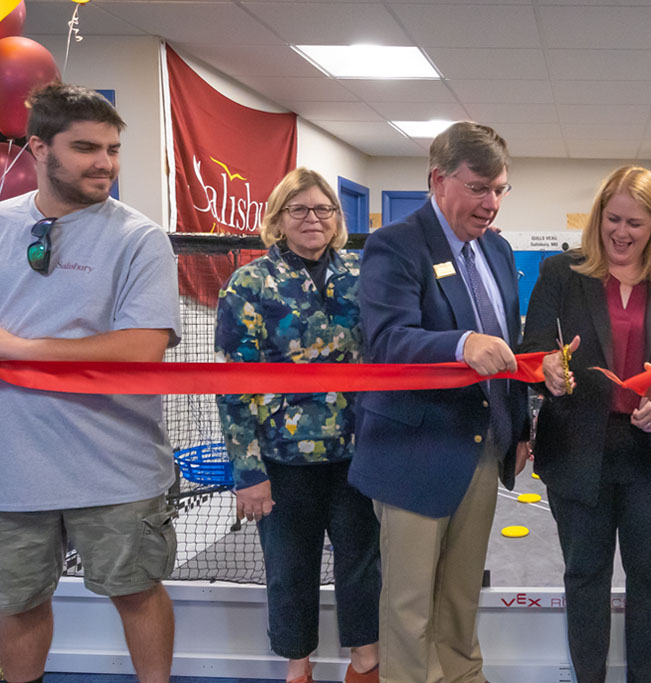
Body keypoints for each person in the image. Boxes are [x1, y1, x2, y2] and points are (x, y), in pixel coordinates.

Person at [0, 83, 181, 683]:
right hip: (13, 469)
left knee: (136, 591)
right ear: (37, 147)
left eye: (112, 148)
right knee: (17, 602)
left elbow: (141, 347)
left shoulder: (139, 238)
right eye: (85, 147)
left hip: (115, 466)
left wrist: (20, 350)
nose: (105, 162)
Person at [349, 121, 530, 683]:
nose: (491, 203)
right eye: (478, 188)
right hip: (414, 448)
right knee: (408, 604)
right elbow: (385, 341)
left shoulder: (497, 250)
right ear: (438, 179)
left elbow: (510, 347)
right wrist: (460, 343)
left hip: (482, 446)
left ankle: (462, 676)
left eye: (499, 189)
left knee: (460, 595)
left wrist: (520, 428)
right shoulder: (396, 245)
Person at [520, 165, 651, 683]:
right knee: (585, 577)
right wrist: (547, 371)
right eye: (612, 219)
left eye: (635, 224)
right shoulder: (561, 273)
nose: (621, 233)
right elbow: (532, 350)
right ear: (598, 218)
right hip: (579, 451)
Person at [215, 167, 380, 683]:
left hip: (358, 453)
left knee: (364, 565)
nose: (313, 219)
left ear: (337, 218)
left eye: (323, 209)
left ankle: (365, 664)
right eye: (299, 210)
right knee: (289, 570)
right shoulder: (249, 282)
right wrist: (247, 472)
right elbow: (232, 385)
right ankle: (298, 669)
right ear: (279, 219)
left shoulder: (363, 273)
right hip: (281, 461)